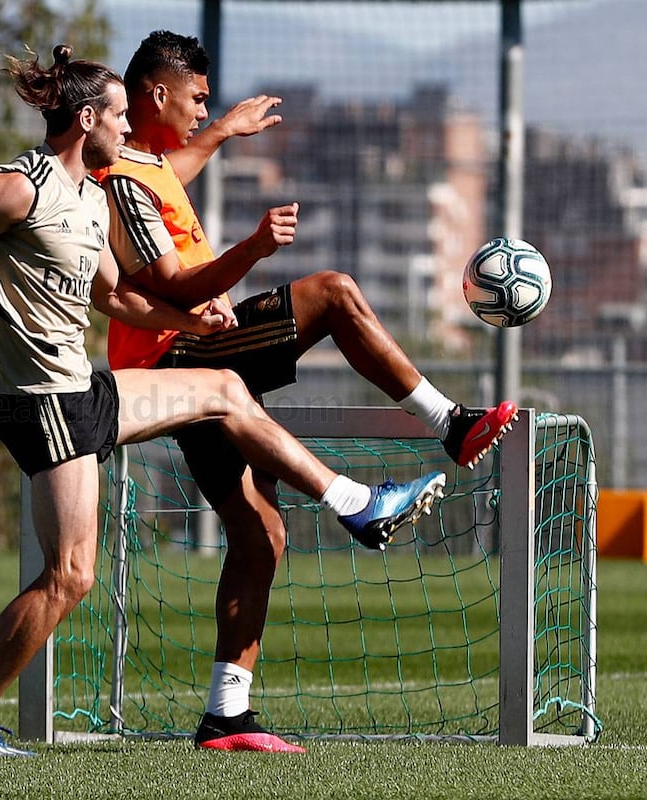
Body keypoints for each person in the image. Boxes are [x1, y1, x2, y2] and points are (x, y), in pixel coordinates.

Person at [0, 45, 445, 757]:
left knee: (224, 390)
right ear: (87, 119)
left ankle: (356, 503)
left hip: (80, 392)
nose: (128, 128)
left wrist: (190, 322)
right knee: (70, 576)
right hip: (40, 403)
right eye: (117, 114)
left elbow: (115, 296)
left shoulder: (91, 197)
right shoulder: (20, 186)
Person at [95, 30, 517, 753]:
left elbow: (175, 169)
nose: (204, 111)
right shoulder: (125, 181)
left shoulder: (147, 163)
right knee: (331, 294)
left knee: (262, 534)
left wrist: (225, 130)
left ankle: (227, 716)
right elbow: (167, 283)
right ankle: (448, 423)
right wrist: (252, 250)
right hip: (176, 358)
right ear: (156, 95)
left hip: (184, 356)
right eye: (197, 99)